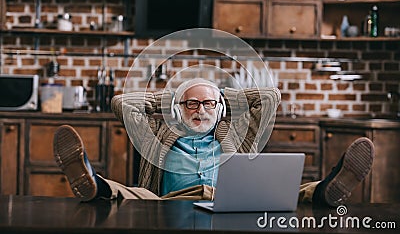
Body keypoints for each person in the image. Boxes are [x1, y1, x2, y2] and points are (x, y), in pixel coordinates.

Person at [53, 78, 374, 207]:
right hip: (167, 204)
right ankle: (93, 183)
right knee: (133, 194)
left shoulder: (236, 134)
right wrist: (174, 98)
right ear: (179, 108)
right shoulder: (158, 135)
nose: (200, 110)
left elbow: (269, 97)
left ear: (220, 108)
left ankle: (327, 189)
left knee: (287, 190)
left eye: (208, 104)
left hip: (227, 204)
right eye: (191, 104)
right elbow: (123, 102)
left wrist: (220, 95)